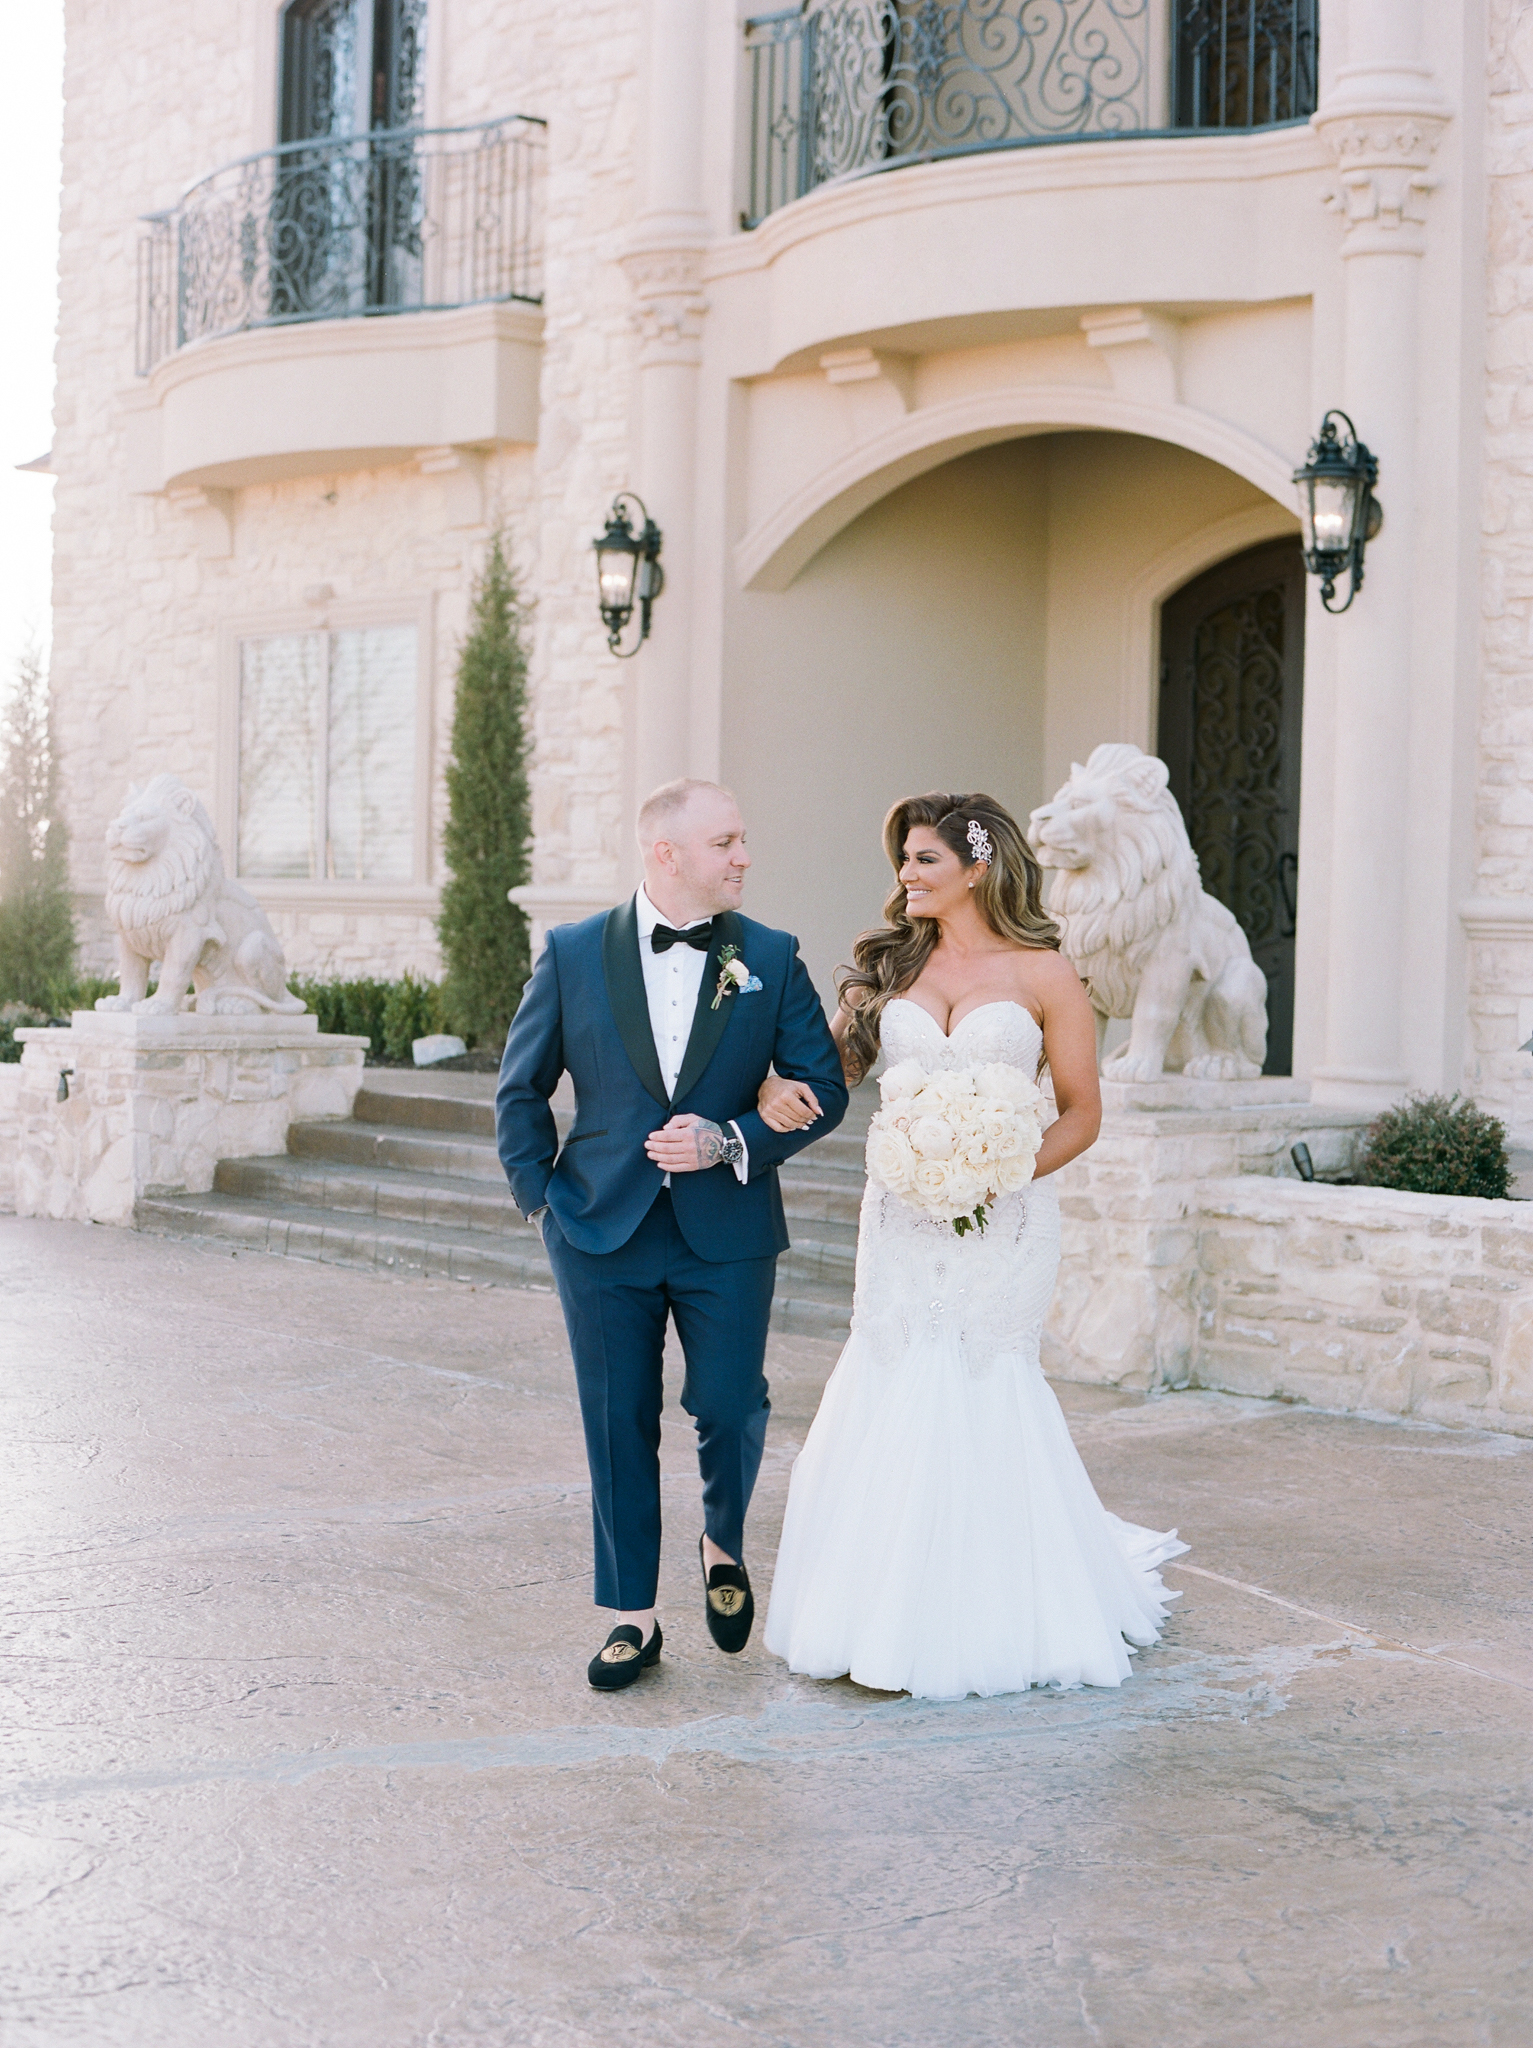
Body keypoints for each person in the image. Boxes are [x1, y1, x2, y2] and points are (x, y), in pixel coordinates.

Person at [759, 792, 1187, 1700]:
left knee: (985, 1379)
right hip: (901, 1219)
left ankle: (992, 1617)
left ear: (977, 867)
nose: (905, 877)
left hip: (1007, 1217)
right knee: (895, 1369)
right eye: (903, 862)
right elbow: (822, 1080)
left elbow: (1082, 1113)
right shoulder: (890, 970)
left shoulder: (1044, 974)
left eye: (922, 860)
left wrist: (1000, 1173)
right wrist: (764, 1096)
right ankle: (875, 1611)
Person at [496, 779, 848, 1690]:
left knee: (729, 1406)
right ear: (667, 854)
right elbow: (520, 1088)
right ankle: (630, 1617)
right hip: (596, 1229)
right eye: (725, 841)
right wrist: (540, 1204)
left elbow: (825, 1089)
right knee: (615, 1423)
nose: (743, 856)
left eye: (741, 839)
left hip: (726, 1226)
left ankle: (721, 1542)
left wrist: (733, 1138)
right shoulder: (572, 952)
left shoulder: (769, 953)